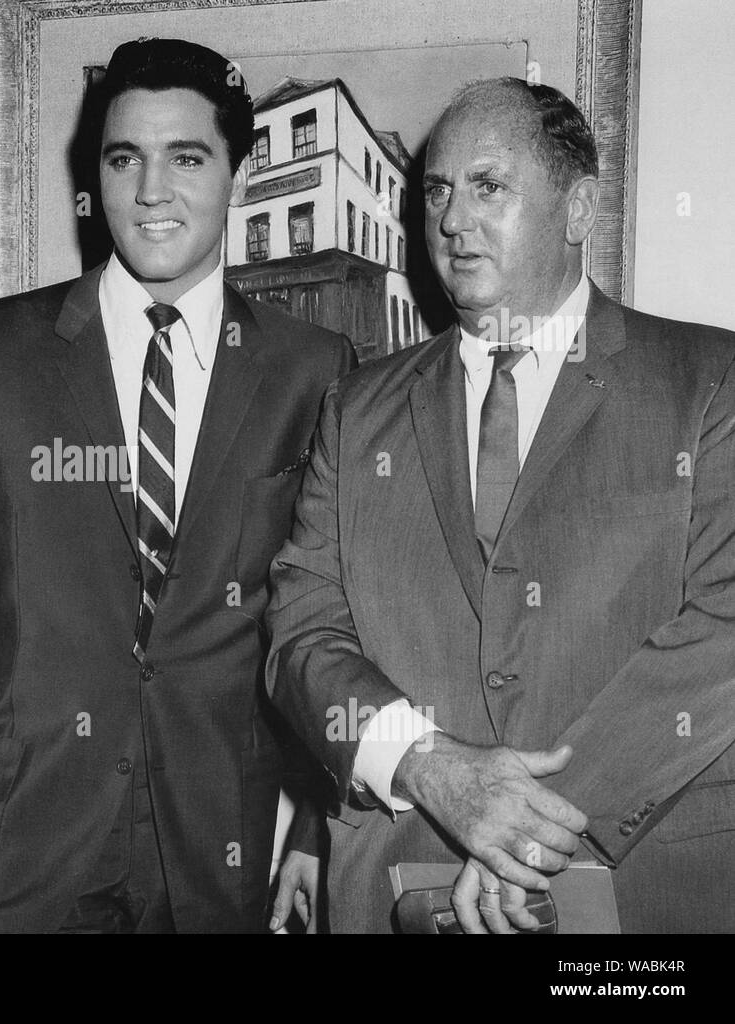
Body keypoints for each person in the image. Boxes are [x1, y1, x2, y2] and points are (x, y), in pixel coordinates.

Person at [0, 37, 355, 934]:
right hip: (22, 840)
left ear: (239, 175)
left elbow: (326, 615)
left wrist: (314, 827)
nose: (150, 191)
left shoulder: (313, 368)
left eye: (187, 158)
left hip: (227, 845)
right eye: (124, 158)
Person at [266, 77, 735, 933]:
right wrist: (430, 768)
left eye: (488, 186)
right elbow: (302, 629)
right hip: (402, 886)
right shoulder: (356, 407)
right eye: (437, 190)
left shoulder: (709, 383)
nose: (450, 220)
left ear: (580, 208)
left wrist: (529, 830)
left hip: (642, 891)